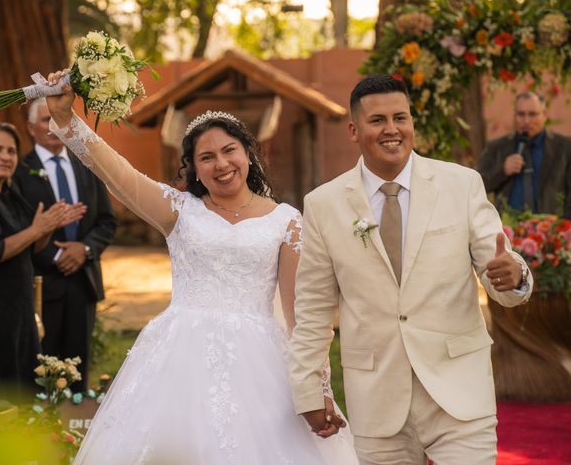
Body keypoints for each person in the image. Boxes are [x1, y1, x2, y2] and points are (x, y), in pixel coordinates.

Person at [41, 69, 359, 464]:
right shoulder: (179, 211)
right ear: (193, 167)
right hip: (179, 359)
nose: (221, 164)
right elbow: (116, 172)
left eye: (229, 151)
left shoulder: (286, 220)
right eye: (206, 157)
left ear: (249, 153)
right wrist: (67, 120)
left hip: (260, 365)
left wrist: (318, 390)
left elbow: (302, 317)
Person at [288, 74, 534, 465]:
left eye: (400, 118)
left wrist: (514, 277)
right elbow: (313, 310)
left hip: (460, 394)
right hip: (377, 400)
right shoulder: (323, 204)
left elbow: (500, 274)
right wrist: (307, 390)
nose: (392, 130)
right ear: (354, 130)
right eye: (378, 121)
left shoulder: (462, 184)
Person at [0, 120, 86, 404]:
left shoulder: (8, 191)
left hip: (19, 306)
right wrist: (37, 229)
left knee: (26, 388)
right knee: (3, 394)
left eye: (12, 151)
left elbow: (33, 248)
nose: (5, 156)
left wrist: (50, 224)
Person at [14, 97, 117, 392]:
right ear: (30, 127)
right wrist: (57, 253)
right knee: (41, 370)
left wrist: (82, 250)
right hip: (42, 284)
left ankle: (75, 433)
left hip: (83, 281)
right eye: (44, 119)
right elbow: (19, 227)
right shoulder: (20, 172)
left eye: (56, 119)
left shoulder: (86, 163)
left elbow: (106, 221)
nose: (52, 126)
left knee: (78, 370)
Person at [476, 91, 571, 217]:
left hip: (549, 228)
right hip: (508, 227)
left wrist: (563, 227)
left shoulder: (564, 147)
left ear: (544, 115)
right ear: (514, 115)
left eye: (532, 114)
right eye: (521, 114)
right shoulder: (496, 147)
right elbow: (477, 186)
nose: (526, 120)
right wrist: (502, 171)